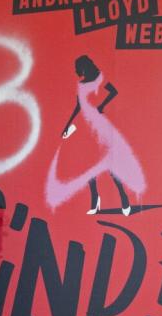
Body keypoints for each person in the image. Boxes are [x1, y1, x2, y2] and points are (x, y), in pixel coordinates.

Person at [44, 54, 146, 215]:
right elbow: (78, 107)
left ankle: (124, 199)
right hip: (86, 128)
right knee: (89, 167)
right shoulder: (80, 84)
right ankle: (95, 201)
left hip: (101, 128)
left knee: (111, 167)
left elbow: (113, 91)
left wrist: (101, 105)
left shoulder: (100, 78)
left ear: (84, 66)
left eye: (78, 67)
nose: (77, 71)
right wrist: (68, 125)